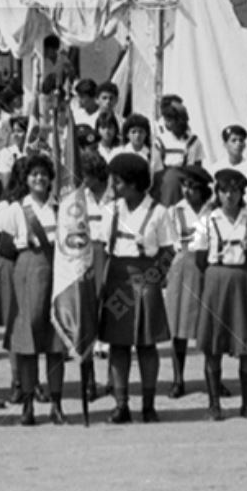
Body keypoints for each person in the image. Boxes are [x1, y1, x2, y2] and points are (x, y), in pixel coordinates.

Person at [99, 152, 175, 422]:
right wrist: (100, 284)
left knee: (146, 345)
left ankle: (148, 404)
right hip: (118, 277)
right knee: (118, 346)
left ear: (132, 183)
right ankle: (121, 405)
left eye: (118, 182)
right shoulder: (111, 210)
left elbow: (168, 252)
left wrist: (154, 279)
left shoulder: (159, 213)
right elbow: (101, 249)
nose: (114, 187)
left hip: (146, 279)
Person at [0, 154, 66, 425]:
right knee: (27, 342)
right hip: (26, 270)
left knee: (55, 343)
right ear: (26, 179)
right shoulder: (15, 209)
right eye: (34, 174)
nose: (39, 179)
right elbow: (4, 248)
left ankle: (56, 403)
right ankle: (27, 405)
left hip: (56, 272)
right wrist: (28, 242)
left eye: (44, 174)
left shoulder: (60, 209)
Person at [193, 166, 247, 420]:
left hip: (245, 280)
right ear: (217, 193)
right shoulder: (208, 220)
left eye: (234, 191)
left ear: (242, 192)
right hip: (217, 281)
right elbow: (200, 257)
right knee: (213, 346)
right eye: (224, 191)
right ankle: (214, 404)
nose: (229, 196)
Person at [163, 166, 213, 397]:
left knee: (210, 327)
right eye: (185, 186)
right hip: (182, 266)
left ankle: (213, 377)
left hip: (208, 268)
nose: (188, 191)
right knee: (179, 327)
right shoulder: (175, 211)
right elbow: (170, 243)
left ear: (203, 190)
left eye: (193, 187)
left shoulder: (213, 212)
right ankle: (178, 378)